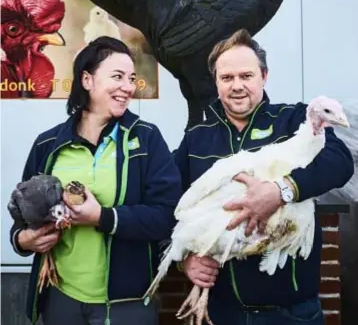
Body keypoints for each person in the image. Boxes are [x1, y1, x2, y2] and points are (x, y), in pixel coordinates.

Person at [174, 29, 354, 325]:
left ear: (264, 77)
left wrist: (283, 189)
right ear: (216, 82)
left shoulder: (294, 120)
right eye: (227, 78)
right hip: (224, 312)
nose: (237, 86)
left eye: (246, 76)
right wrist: (185, 259)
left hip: (292, 313)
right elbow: (167, 201)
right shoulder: (197, 140)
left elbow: (339, 161)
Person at [9, 37, 182, 325]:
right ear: (87, 80)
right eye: (117, 77)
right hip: (62, 300)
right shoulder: (48, 144)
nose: (127, 87)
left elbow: (166, 217)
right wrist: (25, 241)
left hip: (128, 305)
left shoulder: (147, 140)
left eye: (131, 78)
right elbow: (21, 211)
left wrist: (102, 217)